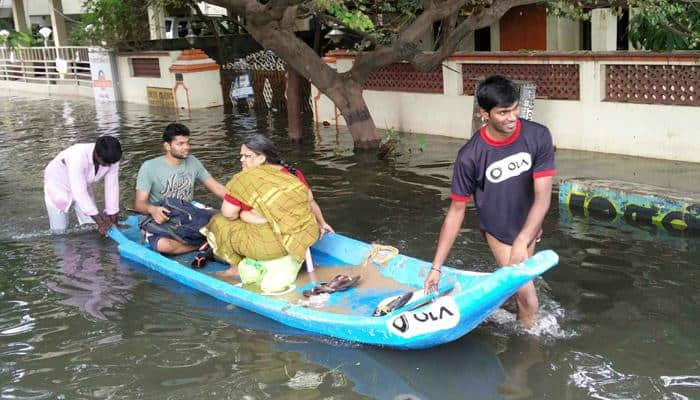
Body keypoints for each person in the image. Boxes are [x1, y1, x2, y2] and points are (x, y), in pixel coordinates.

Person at [423, 75, 556, 328]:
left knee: (519, 288)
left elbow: (543, 197)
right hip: (498, 230)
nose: (512, 117)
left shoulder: (538, 136)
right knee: (528, 298)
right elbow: (456, 211)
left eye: (515, 109)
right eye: (503, 112)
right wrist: (436, 267)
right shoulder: (470, 156)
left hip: (530, 226)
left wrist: (523, 239)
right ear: (485, 113)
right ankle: (529, 356)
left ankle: (509, 311)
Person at [203, 134, 333, 280]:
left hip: (269, 246)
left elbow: (229, 214)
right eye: (242, 156)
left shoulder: (244, 179)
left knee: (219, 221)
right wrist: (322, 223)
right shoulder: (293, 173)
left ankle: (235, 268)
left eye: (247, 156)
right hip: (303, 238)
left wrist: (248, 215)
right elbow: (310, 201)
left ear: (261, 158)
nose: (242, 160)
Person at [134, 123, 225, 254]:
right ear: (167, 146)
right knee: (165, 246)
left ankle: (205, 241)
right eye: (180, 144)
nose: (186, 147)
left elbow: (217, 187)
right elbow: (139, 204)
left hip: (189, 211)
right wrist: (152, 209)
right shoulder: (149, 167)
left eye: (188, 143)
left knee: (227, 220)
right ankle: (204, 243)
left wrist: (240, 204)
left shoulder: (192, 161)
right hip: (164, 216)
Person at [44, 136, 122, 235]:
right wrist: (101, 223)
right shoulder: (78, 156)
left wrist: (114, 219)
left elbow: (112, 187)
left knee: (91, 227)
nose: (110, 166)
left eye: (112, 163)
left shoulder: (112, 157)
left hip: (83, 184)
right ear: (97, 155)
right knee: (60, 232)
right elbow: (79, 191)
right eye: (106, 163)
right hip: (57, 186)